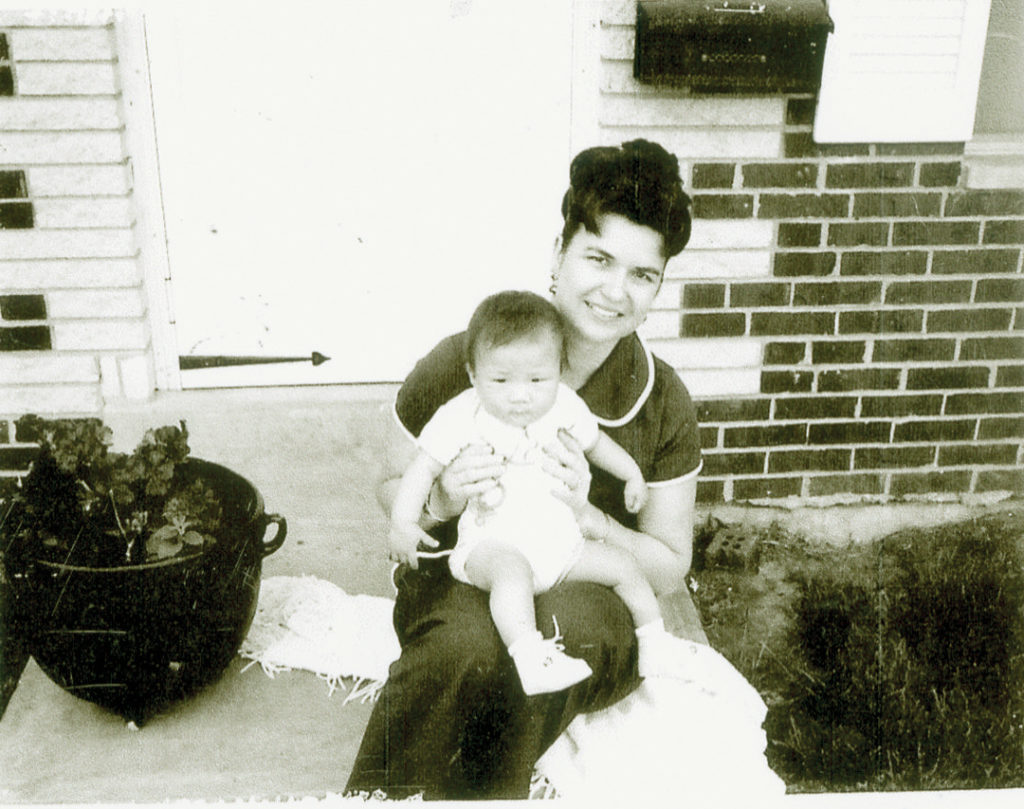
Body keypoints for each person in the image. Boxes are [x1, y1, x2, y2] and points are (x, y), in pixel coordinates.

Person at [346, 138, 700, 799]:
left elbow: (669, 562)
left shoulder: (663, 398)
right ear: (557, 256)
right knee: (464, 647)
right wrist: (445, 498)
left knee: (566, 631)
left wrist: (592, 516)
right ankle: (382, 794)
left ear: (656, 288)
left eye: (642, 275)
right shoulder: (470, 359)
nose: (614, 291)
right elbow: (391, 484)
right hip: (470, 568)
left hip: (583, 584)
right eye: (598, 258)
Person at [388, 289, 693, 696]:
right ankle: (532, 657)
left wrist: (633, 474)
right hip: (490, 547)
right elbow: (422, 468)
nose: (521, 394)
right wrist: (404, 522)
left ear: (558, 371)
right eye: (501, 380)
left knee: (623, 568)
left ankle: (654, 643)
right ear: (473, 373)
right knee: (512, 578)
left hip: (558, 545)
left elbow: (596, 443)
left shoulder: (562, 405)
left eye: (537, 379)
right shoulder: (463, 416)